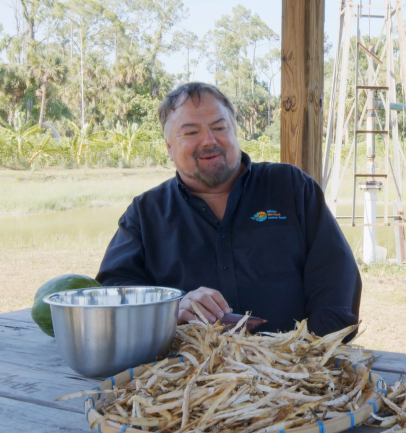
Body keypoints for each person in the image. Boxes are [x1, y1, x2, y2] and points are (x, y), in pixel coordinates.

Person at [97, 82, 361, 337]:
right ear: (169, 147)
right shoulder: (146, 214)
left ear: (235, 131)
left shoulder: (290, 187)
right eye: (190, 132)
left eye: (219, 127)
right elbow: (113, 291)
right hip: (190, 372)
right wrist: (171, 308)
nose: (209, 140)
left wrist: (309, 351)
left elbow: (336, 280)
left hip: (294, 369)